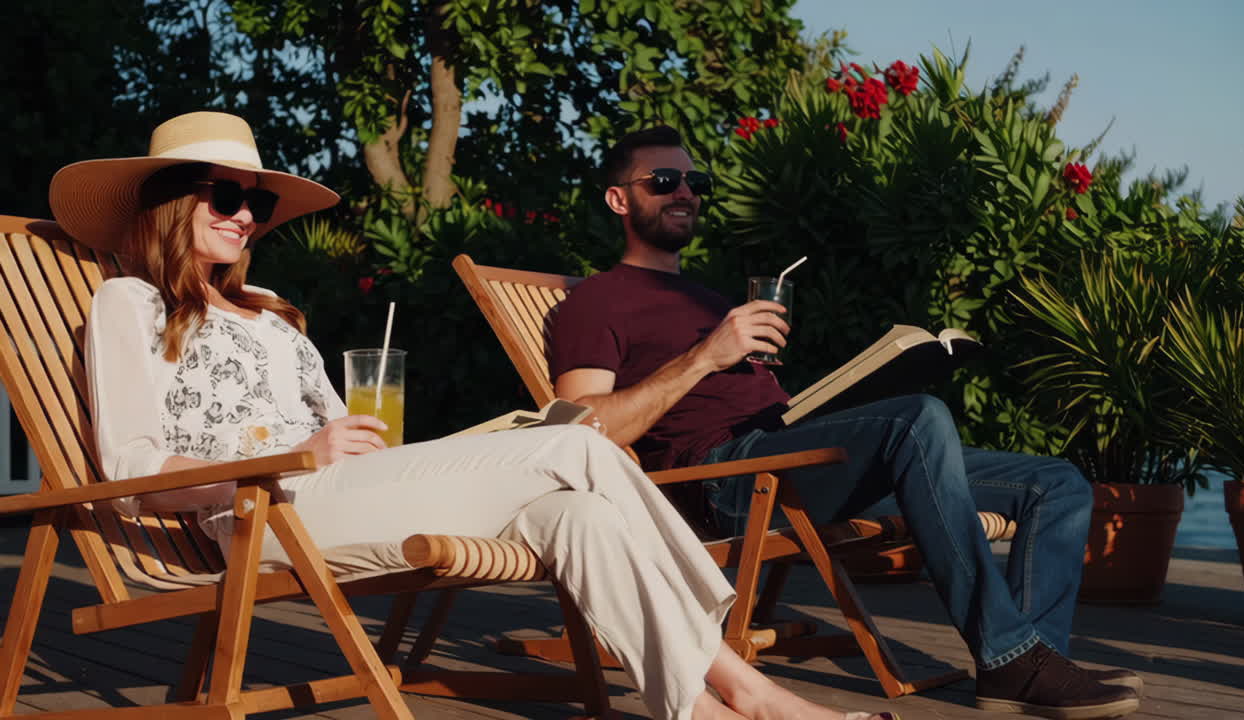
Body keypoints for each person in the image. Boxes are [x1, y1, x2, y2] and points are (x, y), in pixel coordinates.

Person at [49, 111, 899, 720]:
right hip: (261, 514)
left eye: (256, 203)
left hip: (336, 491)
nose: (243, 216)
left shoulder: (274, 311)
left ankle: (698, 710)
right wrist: (304, 453)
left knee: (575, 512)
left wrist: (357, 450)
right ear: (167, 201)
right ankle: (746, 682)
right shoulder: (130, 303)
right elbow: (132, 480)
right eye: (222, 197)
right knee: (577, 442)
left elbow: (352, 444)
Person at [546, 126, 1144, 720]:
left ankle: (1029, 666)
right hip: (730, 479)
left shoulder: (706, 298)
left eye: (694, 181)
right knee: (918, 418)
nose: (685, 192)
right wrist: (707, 354)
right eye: (665, 180)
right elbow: (583, 429)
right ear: (619, 198)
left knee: (1058, 483)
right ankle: (1014, 656)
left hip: (794, 456)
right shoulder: (596, 302)